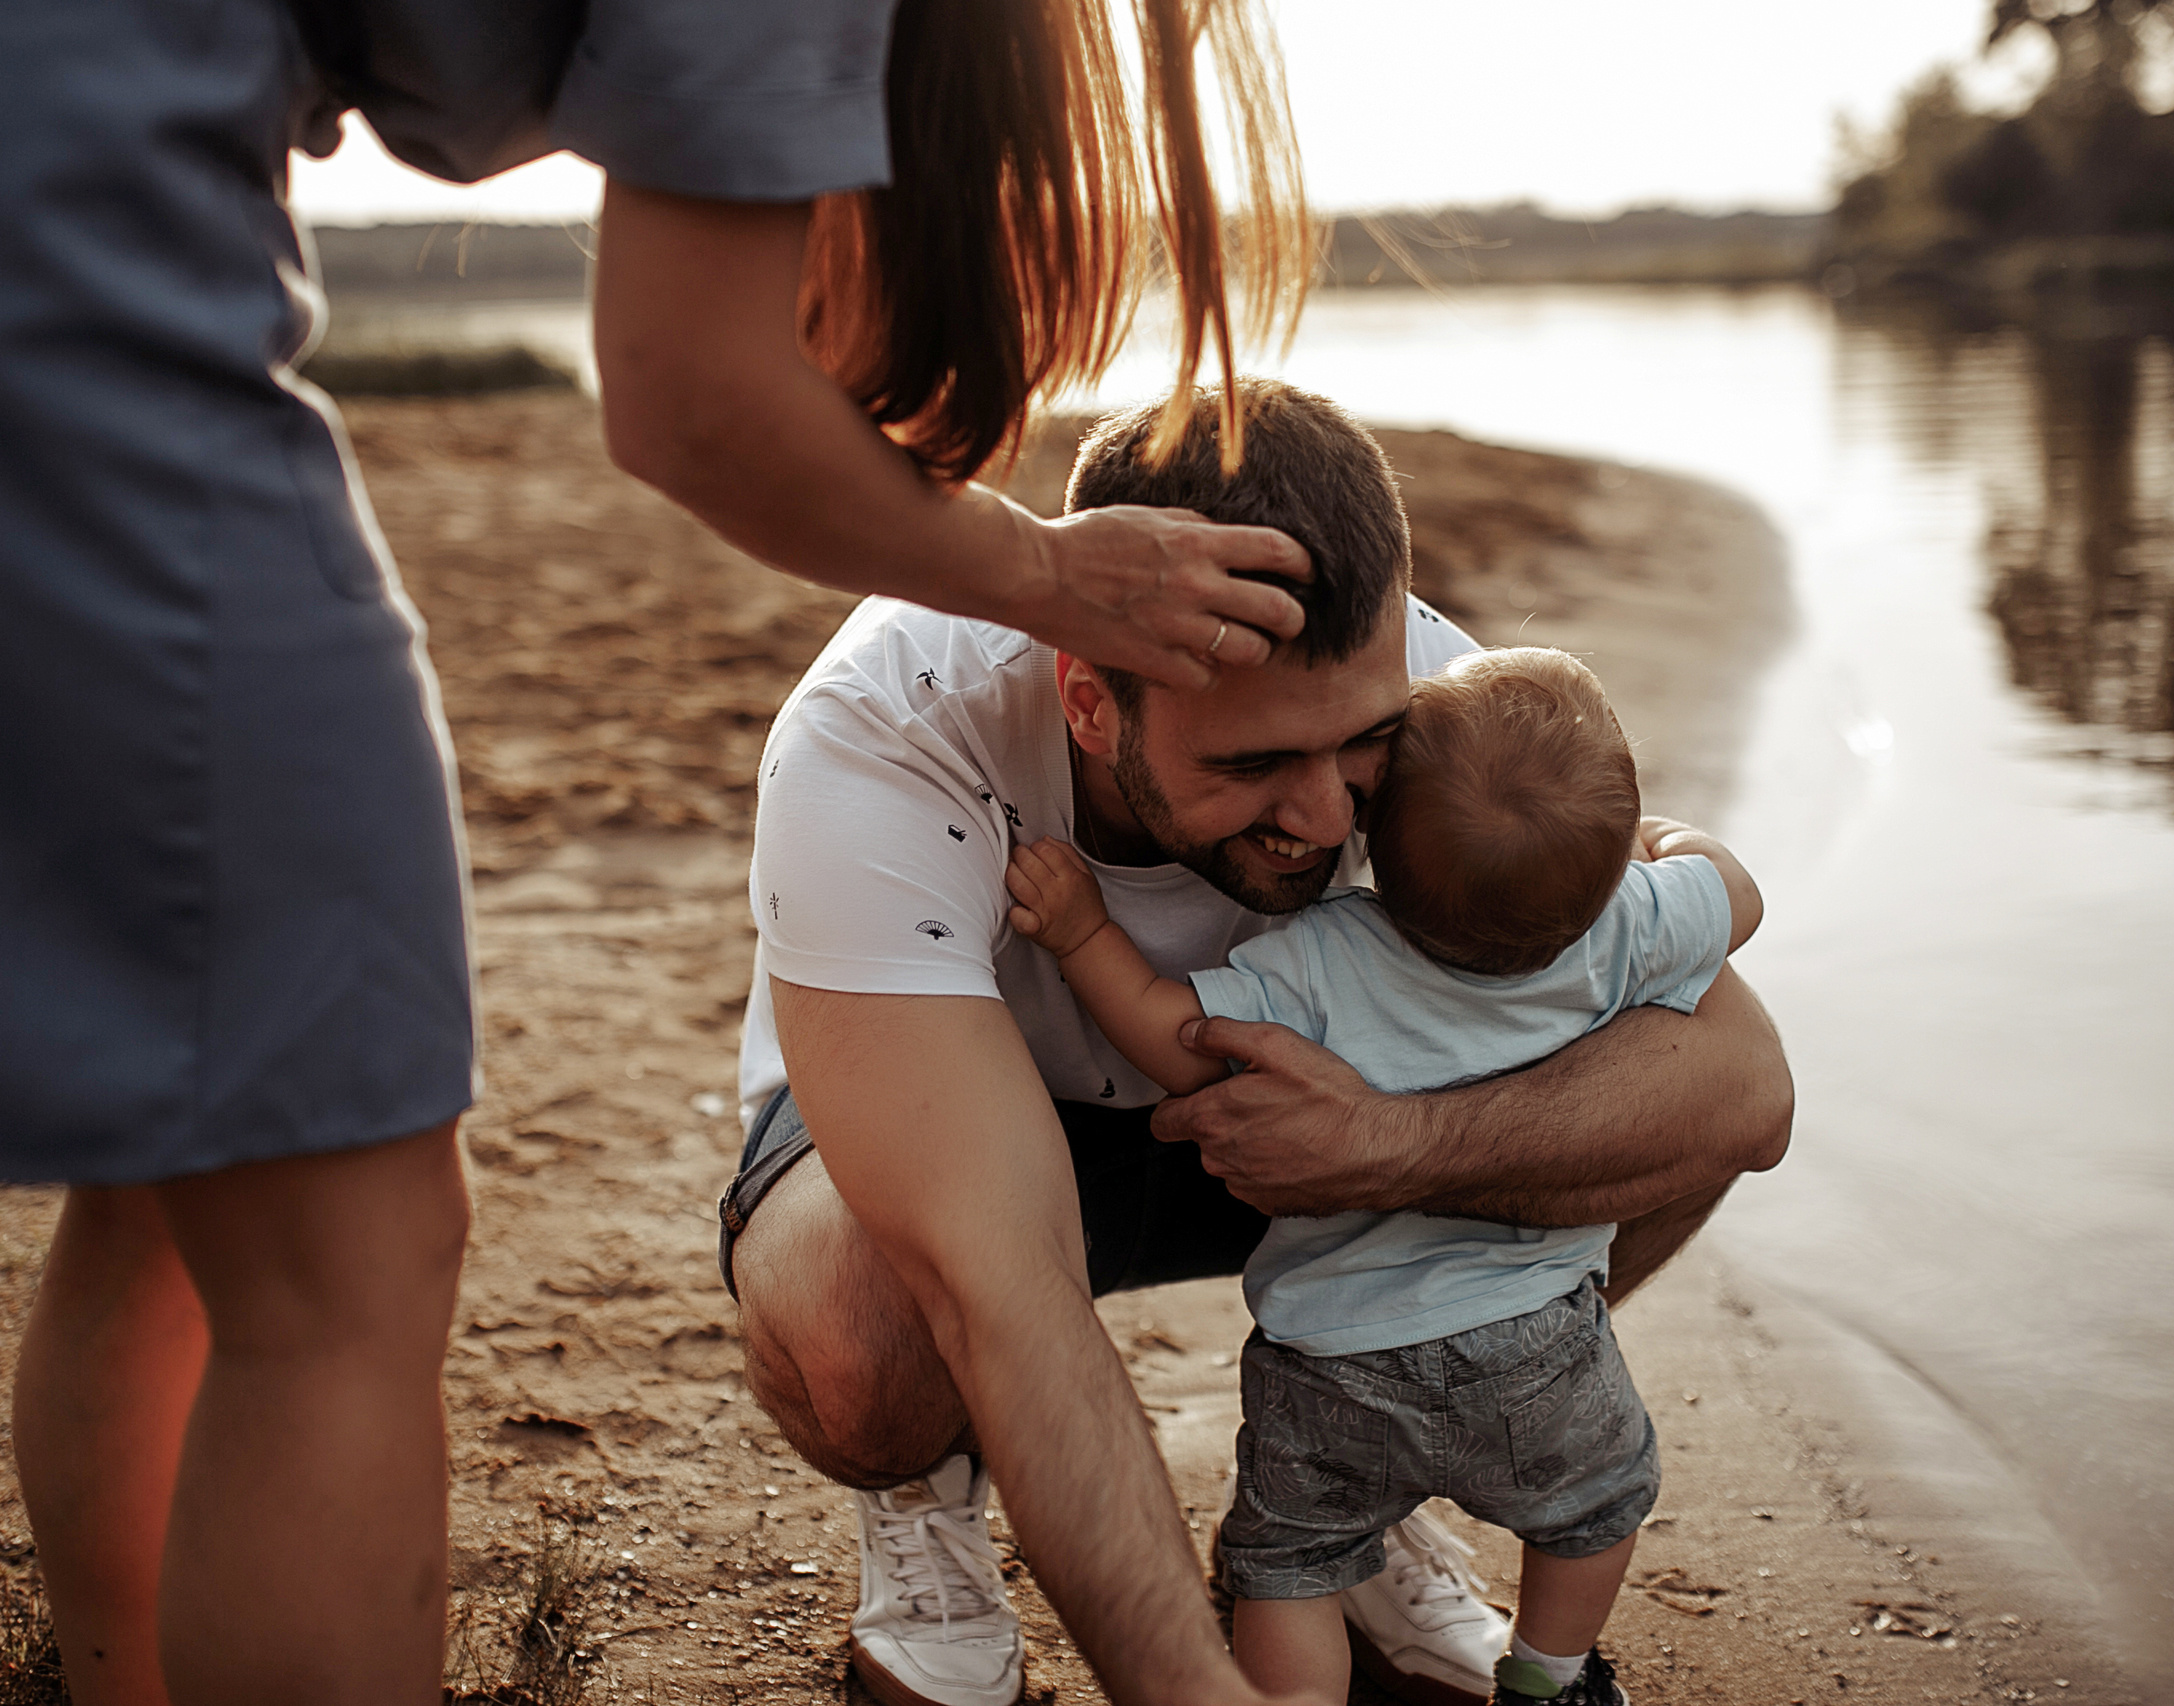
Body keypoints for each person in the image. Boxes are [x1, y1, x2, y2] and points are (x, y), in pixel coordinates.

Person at [3, 2, 1310, 1701]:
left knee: (193, 1172)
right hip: (71, 271)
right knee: (340, 1240)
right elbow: (695, 395)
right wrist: (1055, 575)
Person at [722, 379, 1795, 1706]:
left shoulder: (1452, 709)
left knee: (1646, 1130)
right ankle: (928, 1505)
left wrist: (1391, 1141)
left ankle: (1363, 1469)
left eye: (1362, 747)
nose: (1317, 813)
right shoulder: (888, 731)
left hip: (1310, 1134)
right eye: (1253, 762)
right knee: (866, 1353)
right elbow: (992, 1272)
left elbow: (1739, 1089)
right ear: (1091, 701)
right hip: (967, 1112)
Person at [1003, 646, 1764, 1706]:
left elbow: (1180, 1039)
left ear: (1369, 829)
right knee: (1595, 1505)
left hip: (1330, 1364)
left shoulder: (1320, 954)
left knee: (1291, 1564)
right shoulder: (1627, 927)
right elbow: (1736, 888)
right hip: (1538, 1348)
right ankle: (1547, 1677)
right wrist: (1657, 845)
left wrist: (1086, 934)